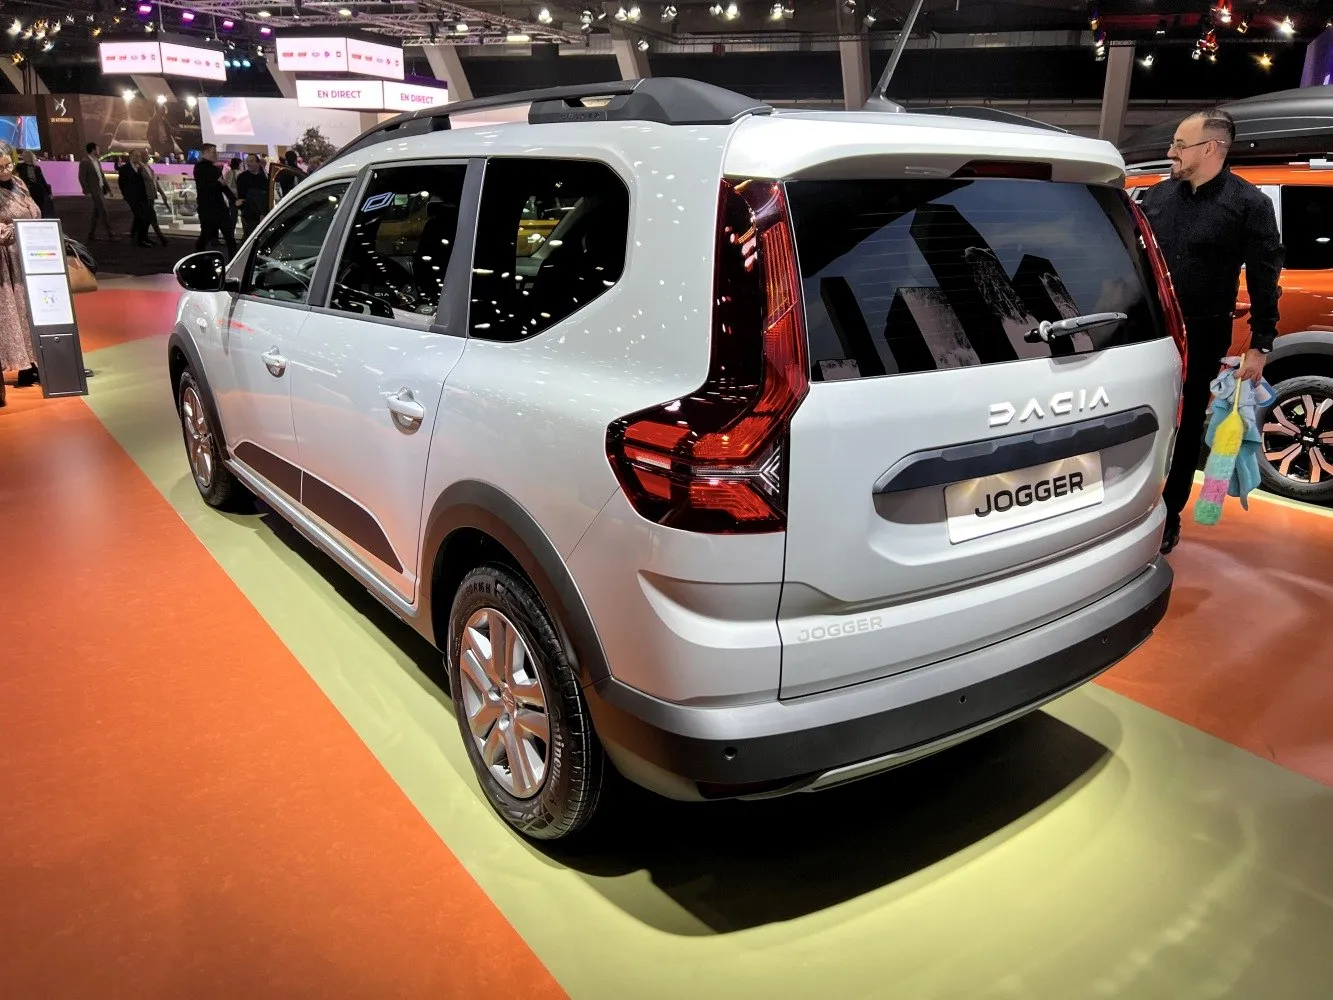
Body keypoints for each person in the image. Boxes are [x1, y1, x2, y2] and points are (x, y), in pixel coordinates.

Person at [1140, 108, 1284, 555]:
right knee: (1141, 420)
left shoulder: (1248, 204)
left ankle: (1169, 515)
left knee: (1185, 429)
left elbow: (1264, 277)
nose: (1171, 152)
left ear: (1212, 148)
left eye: (1180, 145)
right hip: (1146, 331)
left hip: (1203, 334)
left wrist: (1260, 345)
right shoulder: (1157, 196)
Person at [0, 142, 43, 399]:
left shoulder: (18, 182)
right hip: (7, 261)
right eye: (1, 167)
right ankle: (23, 365)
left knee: (32, 310)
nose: (7, 170)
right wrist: (19, 229)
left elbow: (34, 210)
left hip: (30, 254)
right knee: (15, 311)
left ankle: (34, 362)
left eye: (9, 164)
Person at [193, 142, 236, 257]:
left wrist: (234, 199)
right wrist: (218, 184)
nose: (215, 154)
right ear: (205, 152)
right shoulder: (200, 168)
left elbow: (223, 187)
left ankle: (234, 261)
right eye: (213, 152)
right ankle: (198, 258)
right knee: (206, 236)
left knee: (229, 236)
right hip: (208, 208)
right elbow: (203, 188)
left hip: (217, 207)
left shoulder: (214, 169)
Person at [79, 141, 114, 242]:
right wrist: (86, 191)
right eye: (98, 149)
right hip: (94, 191)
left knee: (96, 213)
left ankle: (91, 234)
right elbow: (82, 178)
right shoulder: (85, 162)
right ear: (93, 150)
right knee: (104, 212)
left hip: (100, 189)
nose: (99, 151)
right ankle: (111, 234)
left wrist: (108, 189)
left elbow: (101, 176)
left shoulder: (96, 161)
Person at [118, 150, 152, 248]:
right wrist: (126, 195)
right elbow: (121, 183)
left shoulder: (140, 168)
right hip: (132, 197)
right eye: (136, 156)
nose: (138, 158)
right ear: (131, 156)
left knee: (143, 216)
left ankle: (137, 235)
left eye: (139, 156)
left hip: (142, 196)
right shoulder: (124, 169)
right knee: (140, 216)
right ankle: (140, 240)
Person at [135, 151, 169, 246]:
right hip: (145, 197)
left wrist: (161, 193)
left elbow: (154, 182)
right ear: (142, 157)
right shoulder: (140, 168)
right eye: (146, 155)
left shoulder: (148, 167)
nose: (148, 157)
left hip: (151, 196)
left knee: (148, 218)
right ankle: (161, 238)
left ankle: (143, 238)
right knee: (151, 217)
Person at [235, 152, 268, 239]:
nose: (248, 164)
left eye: (251, 161)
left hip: (262, 214)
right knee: (249, 237)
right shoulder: (242, 177)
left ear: (258, 163)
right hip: (248, 214)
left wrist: (263, 213)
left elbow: (266, 196)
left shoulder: (264, 177)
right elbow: (241, 197)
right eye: (247, 161)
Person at [16, 151, 53, 218]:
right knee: (29, 207)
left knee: (39, 208)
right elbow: (16, 177)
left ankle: (40, 220)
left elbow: (42, 180)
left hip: (37, 189)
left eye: (26, 156)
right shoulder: (20, 166)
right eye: (24, 156)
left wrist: (49, 192)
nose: (25, 157)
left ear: (30, 157)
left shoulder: (36, 167)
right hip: (26, 189)